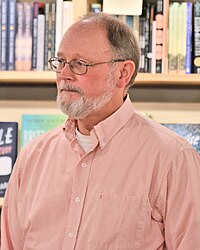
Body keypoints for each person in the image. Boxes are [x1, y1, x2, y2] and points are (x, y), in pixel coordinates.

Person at [1, 13, 200, 250]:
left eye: (79, 64)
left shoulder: (173, 159)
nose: (64, 74)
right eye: (60, 62)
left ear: (122, 74)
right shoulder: (32, 157)